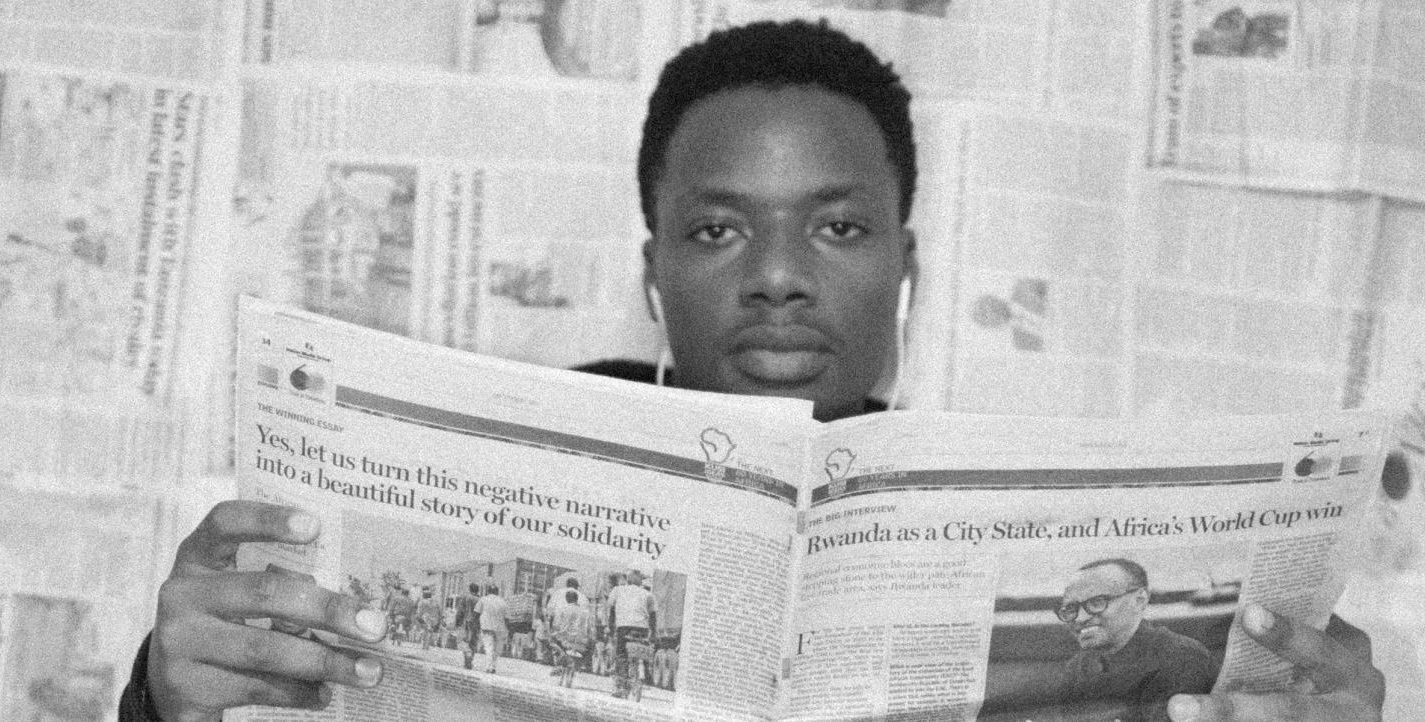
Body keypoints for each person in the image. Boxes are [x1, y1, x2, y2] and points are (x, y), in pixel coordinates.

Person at [121, 19, 1385, 721]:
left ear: (908, 266)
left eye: (836, 227)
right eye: (719, 229)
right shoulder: (492, 474)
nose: (778, 275)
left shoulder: (1012, 538)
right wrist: (165, 702)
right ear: (655, 266)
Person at [1052, 559, 1218, 722]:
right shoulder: (1078, 667)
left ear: (1140, 600)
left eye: (1097, 602)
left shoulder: (1182, 658)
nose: (1080, 618)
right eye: (1070, 609)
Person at [607, 567, 658, 698]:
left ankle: (621, 687)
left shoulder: (617, 590)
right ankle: (643, 675)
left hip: (623, 628)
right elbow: (653, 615)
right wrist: (653, 633)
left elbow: (611, 610)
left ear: (627, 579)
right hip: (642, 628)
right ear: (640, 581)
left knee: (621, 655)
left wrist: (610, 628)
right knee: (641, 651)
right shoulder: (648, 594)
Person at [474, 584, 509, 674]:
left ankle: (489, 667)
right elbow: (507, 618)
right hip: (499, 628)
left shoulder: (483, 599)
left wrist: (477, 625)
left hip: (486, 627)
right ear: (497, 592)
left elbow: (476, 613)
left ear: (488, 591)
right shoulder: (503, 602)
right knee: (497, 649)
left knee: (489, 647)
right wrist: (507, 629)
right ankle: (493, 666)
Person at [454, 582, 481, 669]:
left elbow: (460, 611)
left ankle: (467, 659)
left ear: (470, 589)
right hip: (476, 624)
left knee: (465, 641)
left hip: (466, 623)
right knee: (473, 643)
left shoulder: (465, 598)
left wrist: (457, 622)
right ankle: (469, 661)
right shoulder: (480, 600)